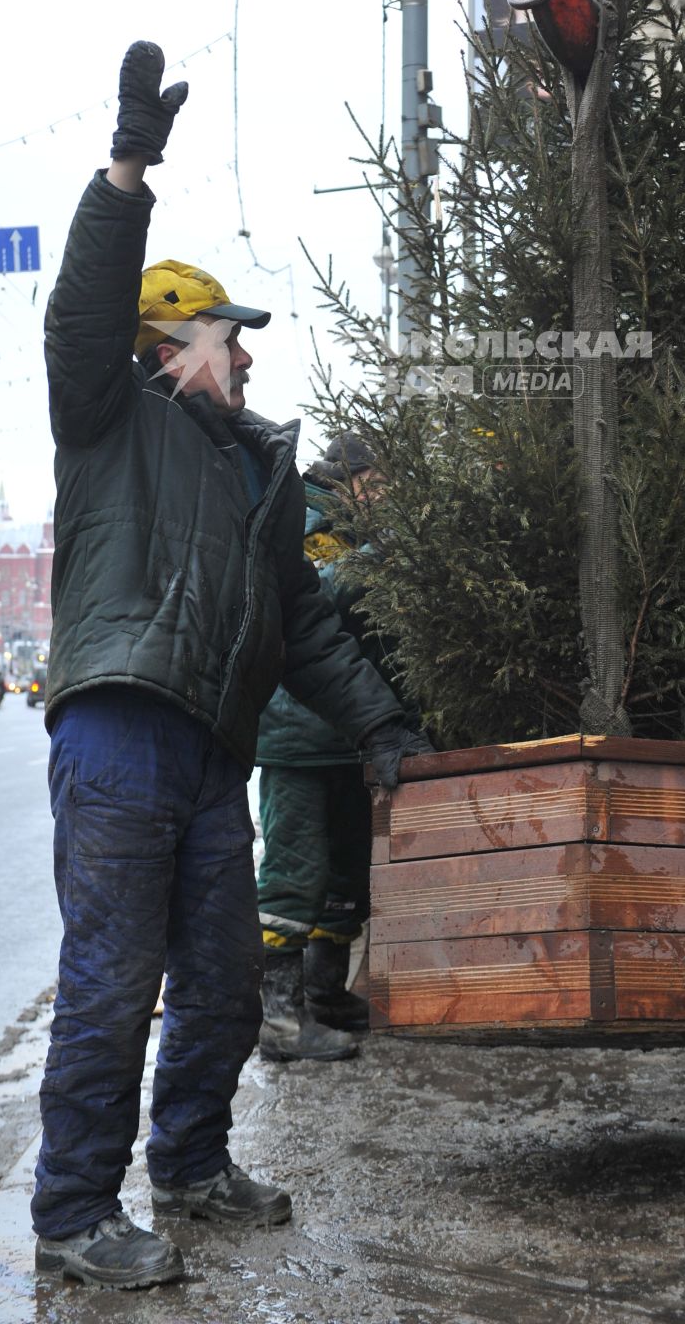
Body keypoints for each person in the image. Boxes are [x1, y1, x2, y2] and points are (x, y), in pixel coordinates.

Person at [31, 42, 431, 1293]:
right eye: (227, 336)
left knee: (218, 979)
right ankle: (72, 1212)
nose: (247, 355)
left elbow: (303, 624)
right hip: (116, 728)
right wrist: (127, 172)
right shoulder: (109, 416)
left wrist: (381, 729)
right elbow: (79, 310)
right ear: (167, 345)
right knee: (113, 979)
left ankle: (191, 1165)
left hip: (212, 749)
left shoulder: (260, 469)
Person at [255, 434, 398, 1062]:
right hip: (297, 738)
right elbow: (314, 596)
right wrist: (377, 553)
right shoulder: (306, 517)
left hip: (344, 738)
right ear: (356, 479)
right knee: (293, 876)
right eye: (382, 484)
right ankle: (280, 1022)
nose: (389, 496)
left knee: (346, 876)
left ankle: (327, 995)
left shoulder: (352, 522)